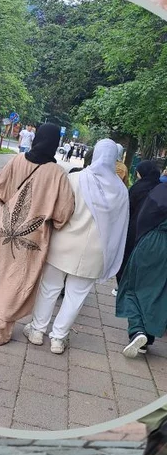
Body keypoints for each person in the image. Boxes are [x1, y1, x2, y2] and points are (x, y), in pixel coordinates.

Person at [22, 139, 128, 354]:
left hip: (63, 244)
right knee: (76, 296)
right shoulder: (120, 190)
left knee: (49, 288)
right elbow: (120, 226)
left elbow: (60, 210)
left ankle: (37, 330)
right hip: (95, 253)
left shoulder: (75, 178)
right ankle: (58, 338)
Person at [0, 124, 76, 346]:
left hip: (5, 229)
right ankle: (1, 328)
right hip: (32, 236)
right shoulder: (58, 174)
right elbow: (63, 212)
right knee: (20, 279)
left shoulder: (17, 160)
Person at [116, 178, 167, 359]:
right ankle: (148, 339)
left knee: (133, 286)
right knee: (158, 293)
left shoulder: (161, 190)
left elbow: (143, 218)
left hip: (153, 242)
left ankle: (137, 330)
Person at [119, 160, 161, 285]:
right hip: (152, 230)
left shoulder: (137, 188)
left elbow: (128, 208)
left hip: (134, 228)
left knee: (128, 257)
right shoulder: (160, 187)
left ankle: (124, 284)